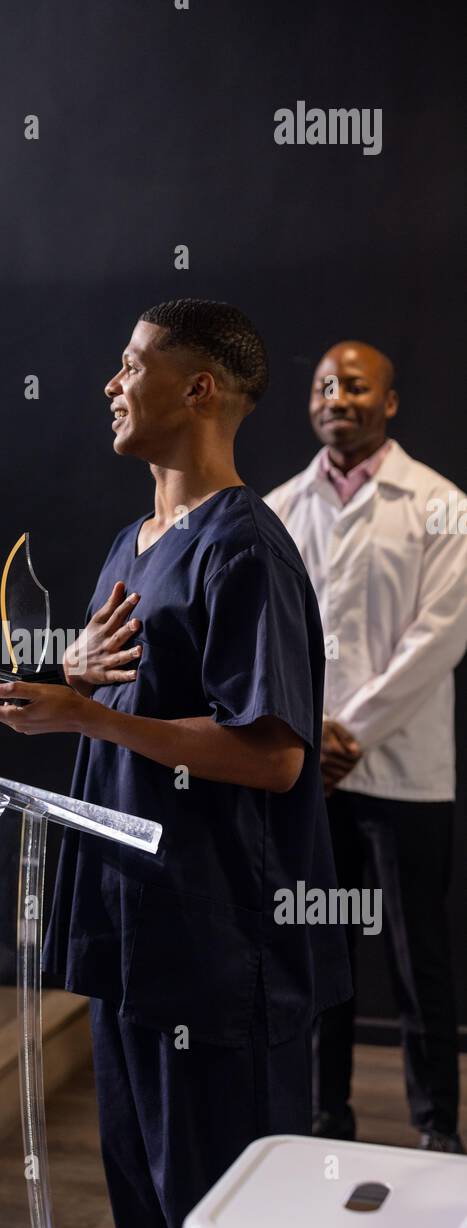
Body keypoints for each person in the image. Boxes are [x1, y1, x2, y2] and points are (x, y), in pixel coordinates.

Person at [0, 298, 352, 1228]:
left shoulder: (245, 547)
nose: (110, 384)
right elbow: (128, 700)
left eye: (130, 364)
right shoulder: (130, 542)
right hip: (131, 944)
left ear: (198, 388)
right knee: (150, 1221)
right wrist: (64, 682)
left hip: (216, 957)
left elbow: (273, 757)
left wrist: (87, 716)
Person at [265, 341, 467, 1154]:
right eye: (323, 386)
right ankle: (325, 1115)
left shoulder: (441, 505)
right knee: (321, 946)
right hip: (310, 772)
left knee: (420, 955)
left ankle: (436, 1124)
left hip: (404, 772)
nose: (335, 397)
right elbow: (273, 637)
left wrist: (348, 731)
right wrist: (310, 731)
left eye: (353, 386)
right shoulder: (278, 508)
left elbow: (441, 632)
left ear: (387, 402)